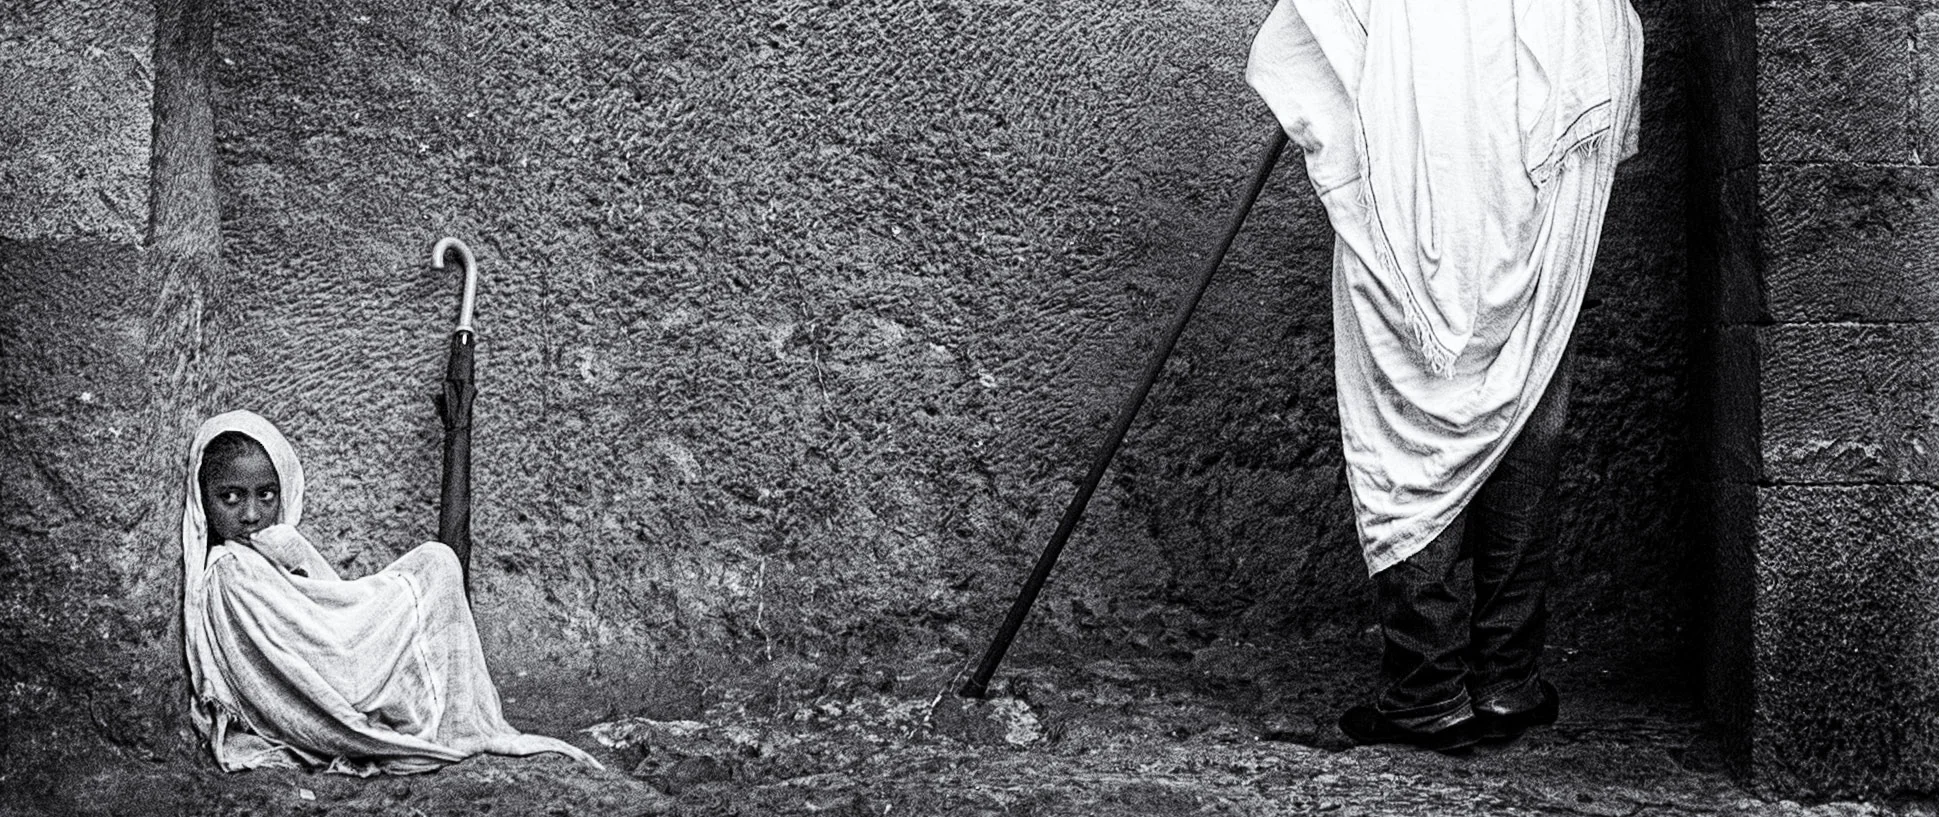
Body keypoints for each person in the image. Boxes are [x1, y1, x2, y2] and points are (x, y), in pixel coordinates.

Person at [1244, 0, 1644, 751]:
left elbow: (1308, 44)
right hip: (1547, 184)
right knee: (1524, 397)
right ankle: (1505, 679)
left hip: (1431, 175)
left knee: (1406, 415)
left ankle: (1426, 688)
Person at [181, 410, 601, 774]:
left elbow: (326, 601)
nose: (252, 514)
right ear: (203, 500)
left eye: (266, 495)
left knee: (436, 563)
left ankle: (443, 713)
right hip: (338, 678)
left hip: (340, 659)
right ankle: (446, 720)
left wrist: (298, 554)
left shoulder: (269, 551)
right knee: (436, 563)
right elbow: (312, 654)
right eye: (230, 497)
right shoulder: (232, 573)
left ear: (285, 491)